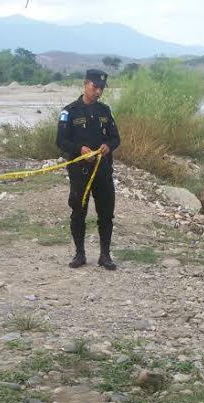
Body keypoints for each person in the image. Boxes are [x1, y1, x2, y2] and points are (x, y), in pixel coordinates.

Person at [56, 69, 121, 270]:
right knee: (78, 212)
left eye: (101, 88)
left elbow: (115, 137)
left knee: (106, 213)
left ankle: (105, 255)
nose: (98, 92)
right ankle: (79, 254)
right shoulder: (70, 111)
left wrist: (108, 146)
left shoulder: (105, 111)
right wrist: (80, 149)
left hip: (102, 170)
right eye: (95, 87)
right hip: (79, 171)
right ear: (85, 84)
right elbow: (60, 140)